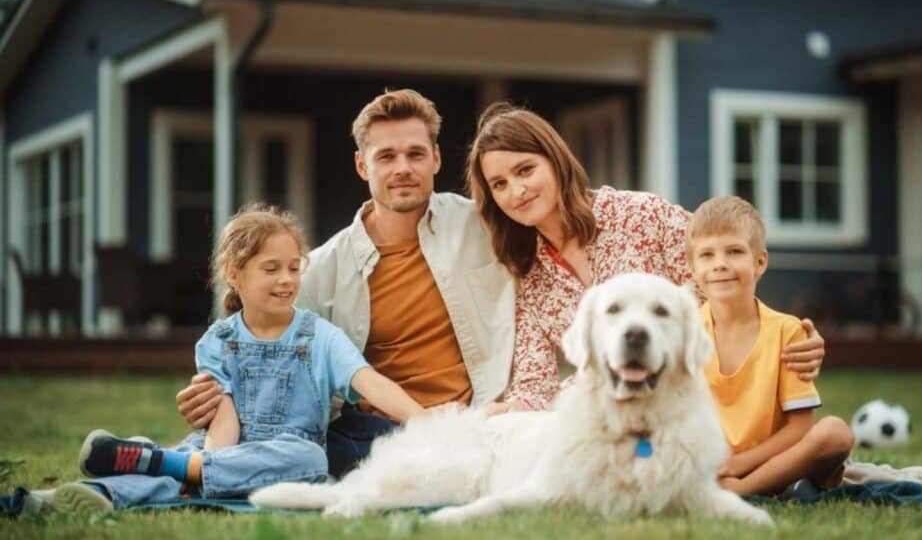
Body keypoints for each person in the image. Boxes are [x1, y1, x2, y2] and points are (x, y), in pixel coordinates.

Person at [175, 90, 515, 475]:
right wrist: (216, 397)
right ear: (361, 165)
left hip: (475, 418)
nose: (402, 167)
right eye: (386, 156)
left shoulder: (486, 227)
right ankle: (160, 464)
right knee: (283, 450)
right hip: (372, 434)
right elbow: (271, 358)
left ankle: (177, 466)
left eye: (415, 154)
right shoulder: (321, 270)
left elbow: (560, 216)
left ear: (435, 159)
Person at [48, 203, 423, 512]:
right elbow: (223, 419)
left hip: (284, 454)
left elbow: (368, 381)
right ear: (234, 273)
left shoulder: (321, 336)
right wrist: (214, 467)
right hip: (221, 449)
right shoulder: (217, 342)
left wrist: (427, 421)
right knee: (189, 467)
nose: (287, 280)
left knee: (310, 458)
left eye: (294, 268)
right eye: (271, 269)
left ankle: (159, 463)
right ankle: (82, 496)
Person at [464, 103, 826, 413]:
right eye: (499, 184)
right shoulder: (528, 274)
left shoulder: (641, 214)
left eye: (525, 170)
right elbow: (534, 383)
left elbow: (728, 283)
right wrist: (511, 411)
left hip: (710, 390)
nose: (517, 191)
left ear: (555, 161)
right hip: (616, 411)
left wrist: (787, 340)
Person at [689, 196, 853, 495]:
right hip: (708, 461)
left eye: (734, 251)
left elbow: (800, 428)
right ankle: (789, 483)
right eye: (707, 255)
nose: (720, 264)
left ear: (759, 262)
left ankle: (740, 491)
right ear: (692, 267)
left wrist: (739, 466)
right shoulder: (684, 333)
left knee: (835, 433)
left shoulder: (787, 331)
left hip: (769, 457)